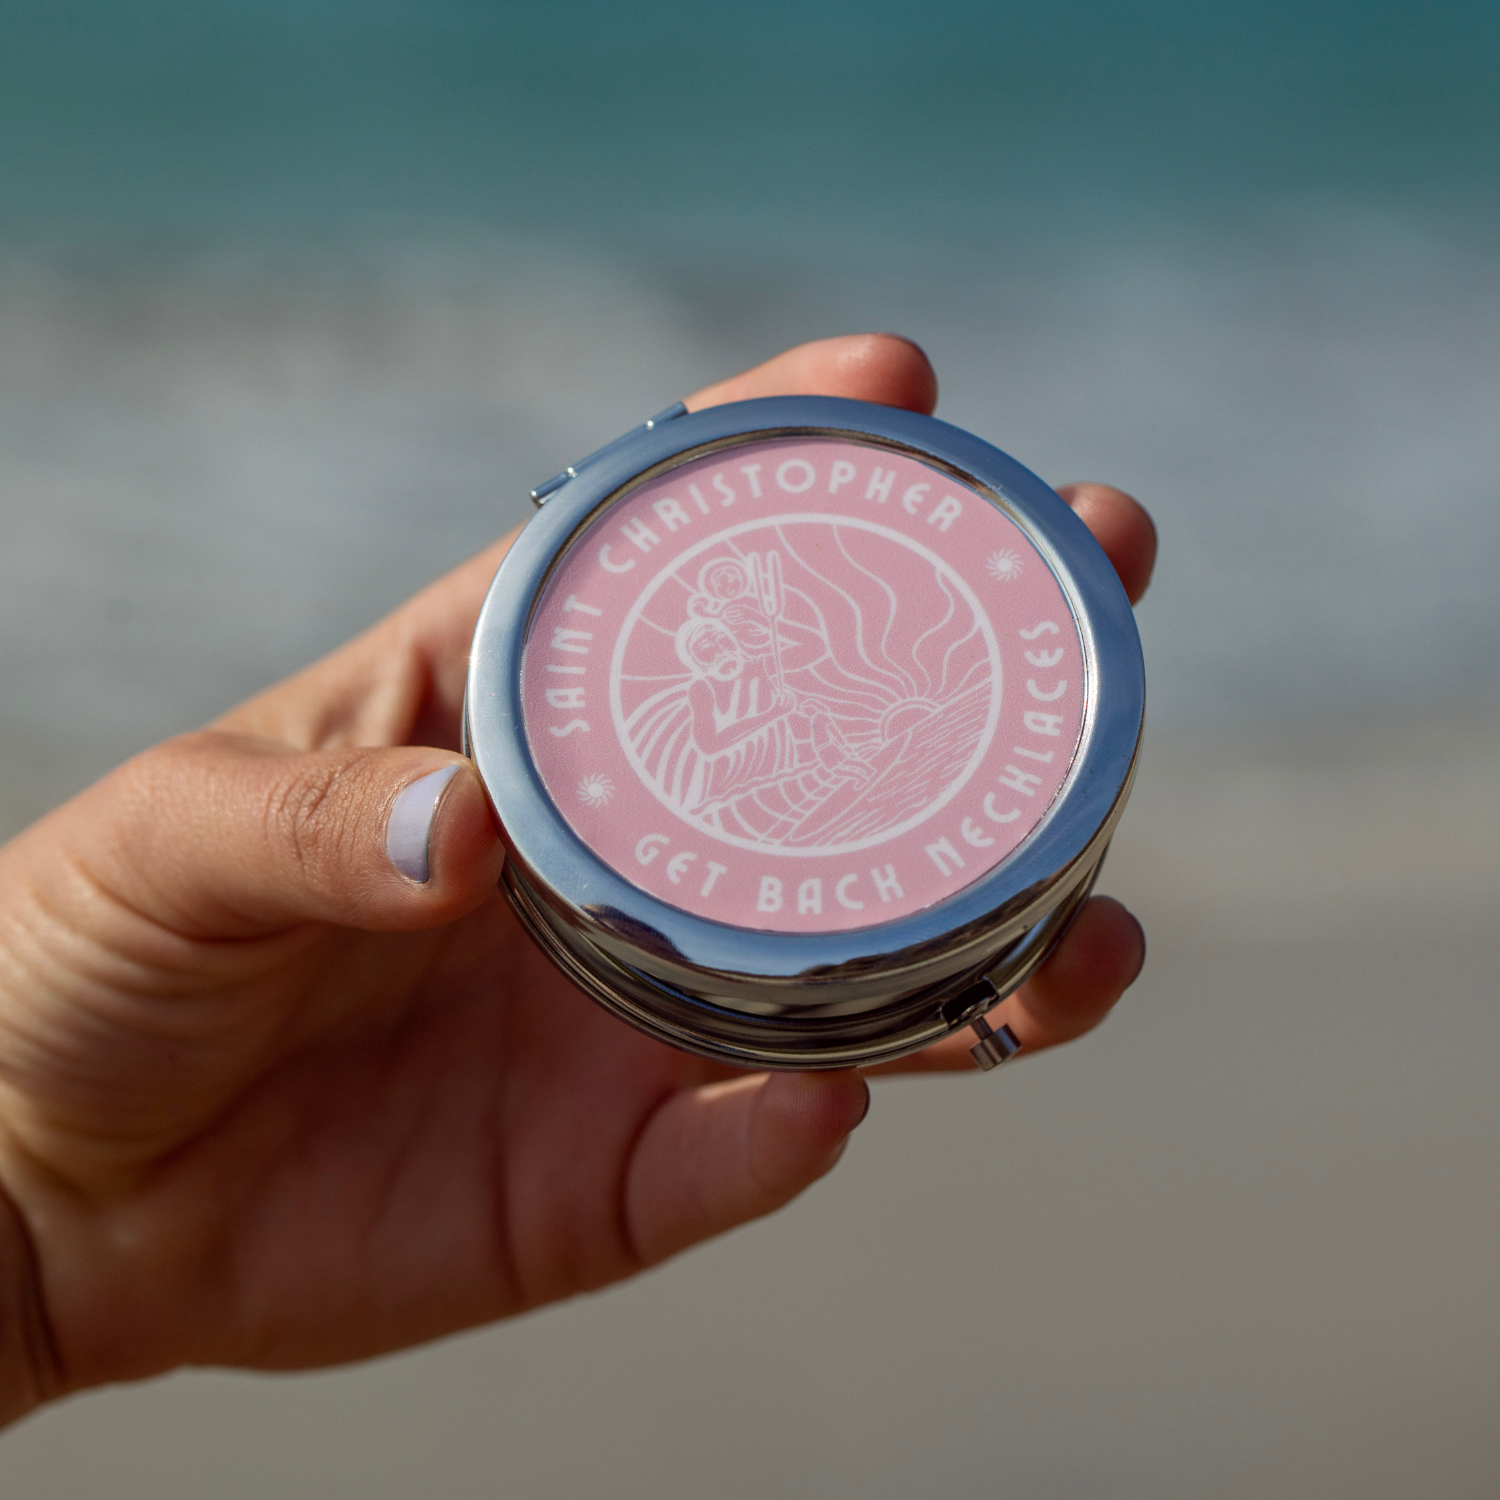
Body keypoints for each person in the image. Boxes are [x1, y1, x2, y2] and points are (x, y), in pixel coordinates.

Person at [0, 335, 1156, 1428]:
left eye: (767, 627)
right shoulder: (683, 724)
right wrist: (37, 1224)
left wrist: (51, 1266)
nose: (743, 645)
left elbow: (870, 737)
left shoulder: (817, 705)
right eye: (725, 629)